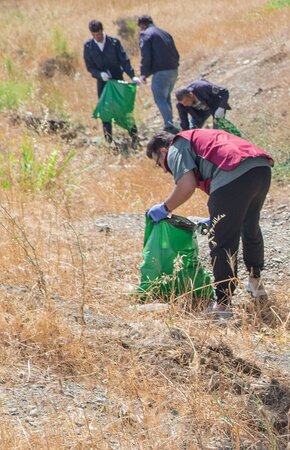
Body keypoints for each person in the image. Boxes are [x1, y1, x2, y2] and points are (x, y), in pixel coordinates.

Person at [145, 130, 273, 320]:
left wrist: (165, 208)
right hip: (260, 169)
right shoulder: (198, 138)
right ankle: (257, 285)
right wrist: (215, 216)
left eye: (159, 163)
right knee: (249, 225)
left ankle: (222, 306)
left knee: (221, 241)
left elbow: (186, 186)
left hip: (234, 173)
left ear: (163, 151)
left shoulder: (176, 147)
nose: (164, 169)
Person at [82, 19, 141, 145]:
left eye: (98, 34)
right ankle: (109, 141)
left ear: (102, 31)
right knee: (105, 111)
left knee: (124, 109)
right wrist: (99, 74)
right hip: (103, 83)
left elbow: (124, 60)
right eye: (94, 35)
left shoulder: (114, 42)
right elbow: (90, 67)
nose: (97, 37)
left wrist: (132, 75)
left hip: (118, 80)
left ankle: (135, 137)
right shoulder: (88, 46)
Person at [138, 15, 180, 133]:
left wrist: (143, 73)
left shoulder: (146, 34)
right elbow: (175, 53)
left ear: (142, 25)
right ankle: (170, 122)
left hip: (161, 72)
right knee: (166, 98)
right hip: (173, 70)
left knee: (159, 98)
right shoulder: (165, 33)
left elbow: (146, 55)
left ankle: (169, 125)